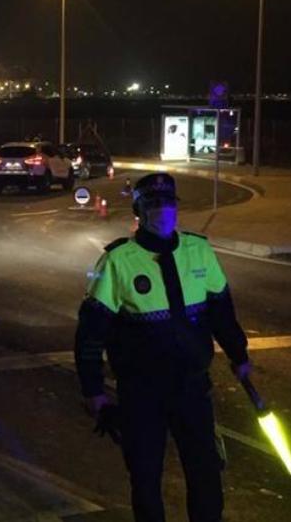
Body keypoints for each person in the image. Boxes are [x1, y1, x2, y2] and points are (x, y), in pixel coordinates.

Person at [74, 172, 251, 522]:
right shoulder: (118, 261)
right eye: (154, 204)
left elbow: (222, 313)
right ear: (139, 210)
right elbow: (91, 332)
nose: (164, 211)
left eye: (169, 203)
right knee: (145, 479)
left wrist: (238, 355)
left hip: (192, 388)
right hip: (142, 394)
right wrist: (93, 389)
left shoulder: (198, 251)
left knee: (205, 476)